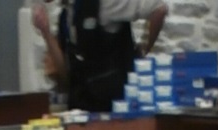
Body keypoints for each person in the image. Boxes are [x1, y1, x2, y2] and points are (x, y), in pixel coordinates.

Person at [33, 0, 167, 113]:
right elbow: (65, 74)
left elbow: (159, 9)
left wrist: (145, 48)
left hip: (115, 108)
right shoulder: (66, 13)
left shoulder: (106, 3)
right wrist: (46, 32)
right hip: (83, 107)